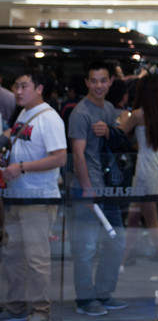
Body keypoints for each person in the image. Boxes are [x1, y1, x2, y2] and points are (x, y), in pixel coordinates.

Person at [0, 69, 67, 321]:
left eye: (23, 86)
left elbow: (59, 157)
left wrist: (22, 168)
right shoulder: (25, 113)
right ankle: (16, 305)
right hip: (17, 195)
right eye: (16, 86)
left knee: (36, 258)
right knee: (13, 256)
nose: (17, 91)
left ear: (39, 88)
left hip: (38, 198)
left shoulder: (49, 119)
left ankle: (41, 310)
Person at [68, 61, 128, 316]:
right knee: (86, 247)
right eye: (94, 80)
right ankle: (85, 299)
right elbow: (78, 154)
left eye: (103, 80)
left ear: (110, 82)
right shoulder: (80, 113)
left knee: (117, 242)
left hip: (109, 188)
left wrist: (109, 132)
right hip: (89, 190)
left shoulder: (110, 108)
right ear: (87, 83)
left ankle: (103, 293)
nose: (99, 85)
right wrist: (86, 189)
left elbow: (117, 141)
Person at [116, 74, 158, 264]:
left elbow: (120, 133)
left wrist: (121, 118)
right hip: (157, 168)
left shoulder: (136, 115)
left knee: (150, 220)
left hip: (143, 169)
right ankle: (123, 257)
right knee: (135, 216)